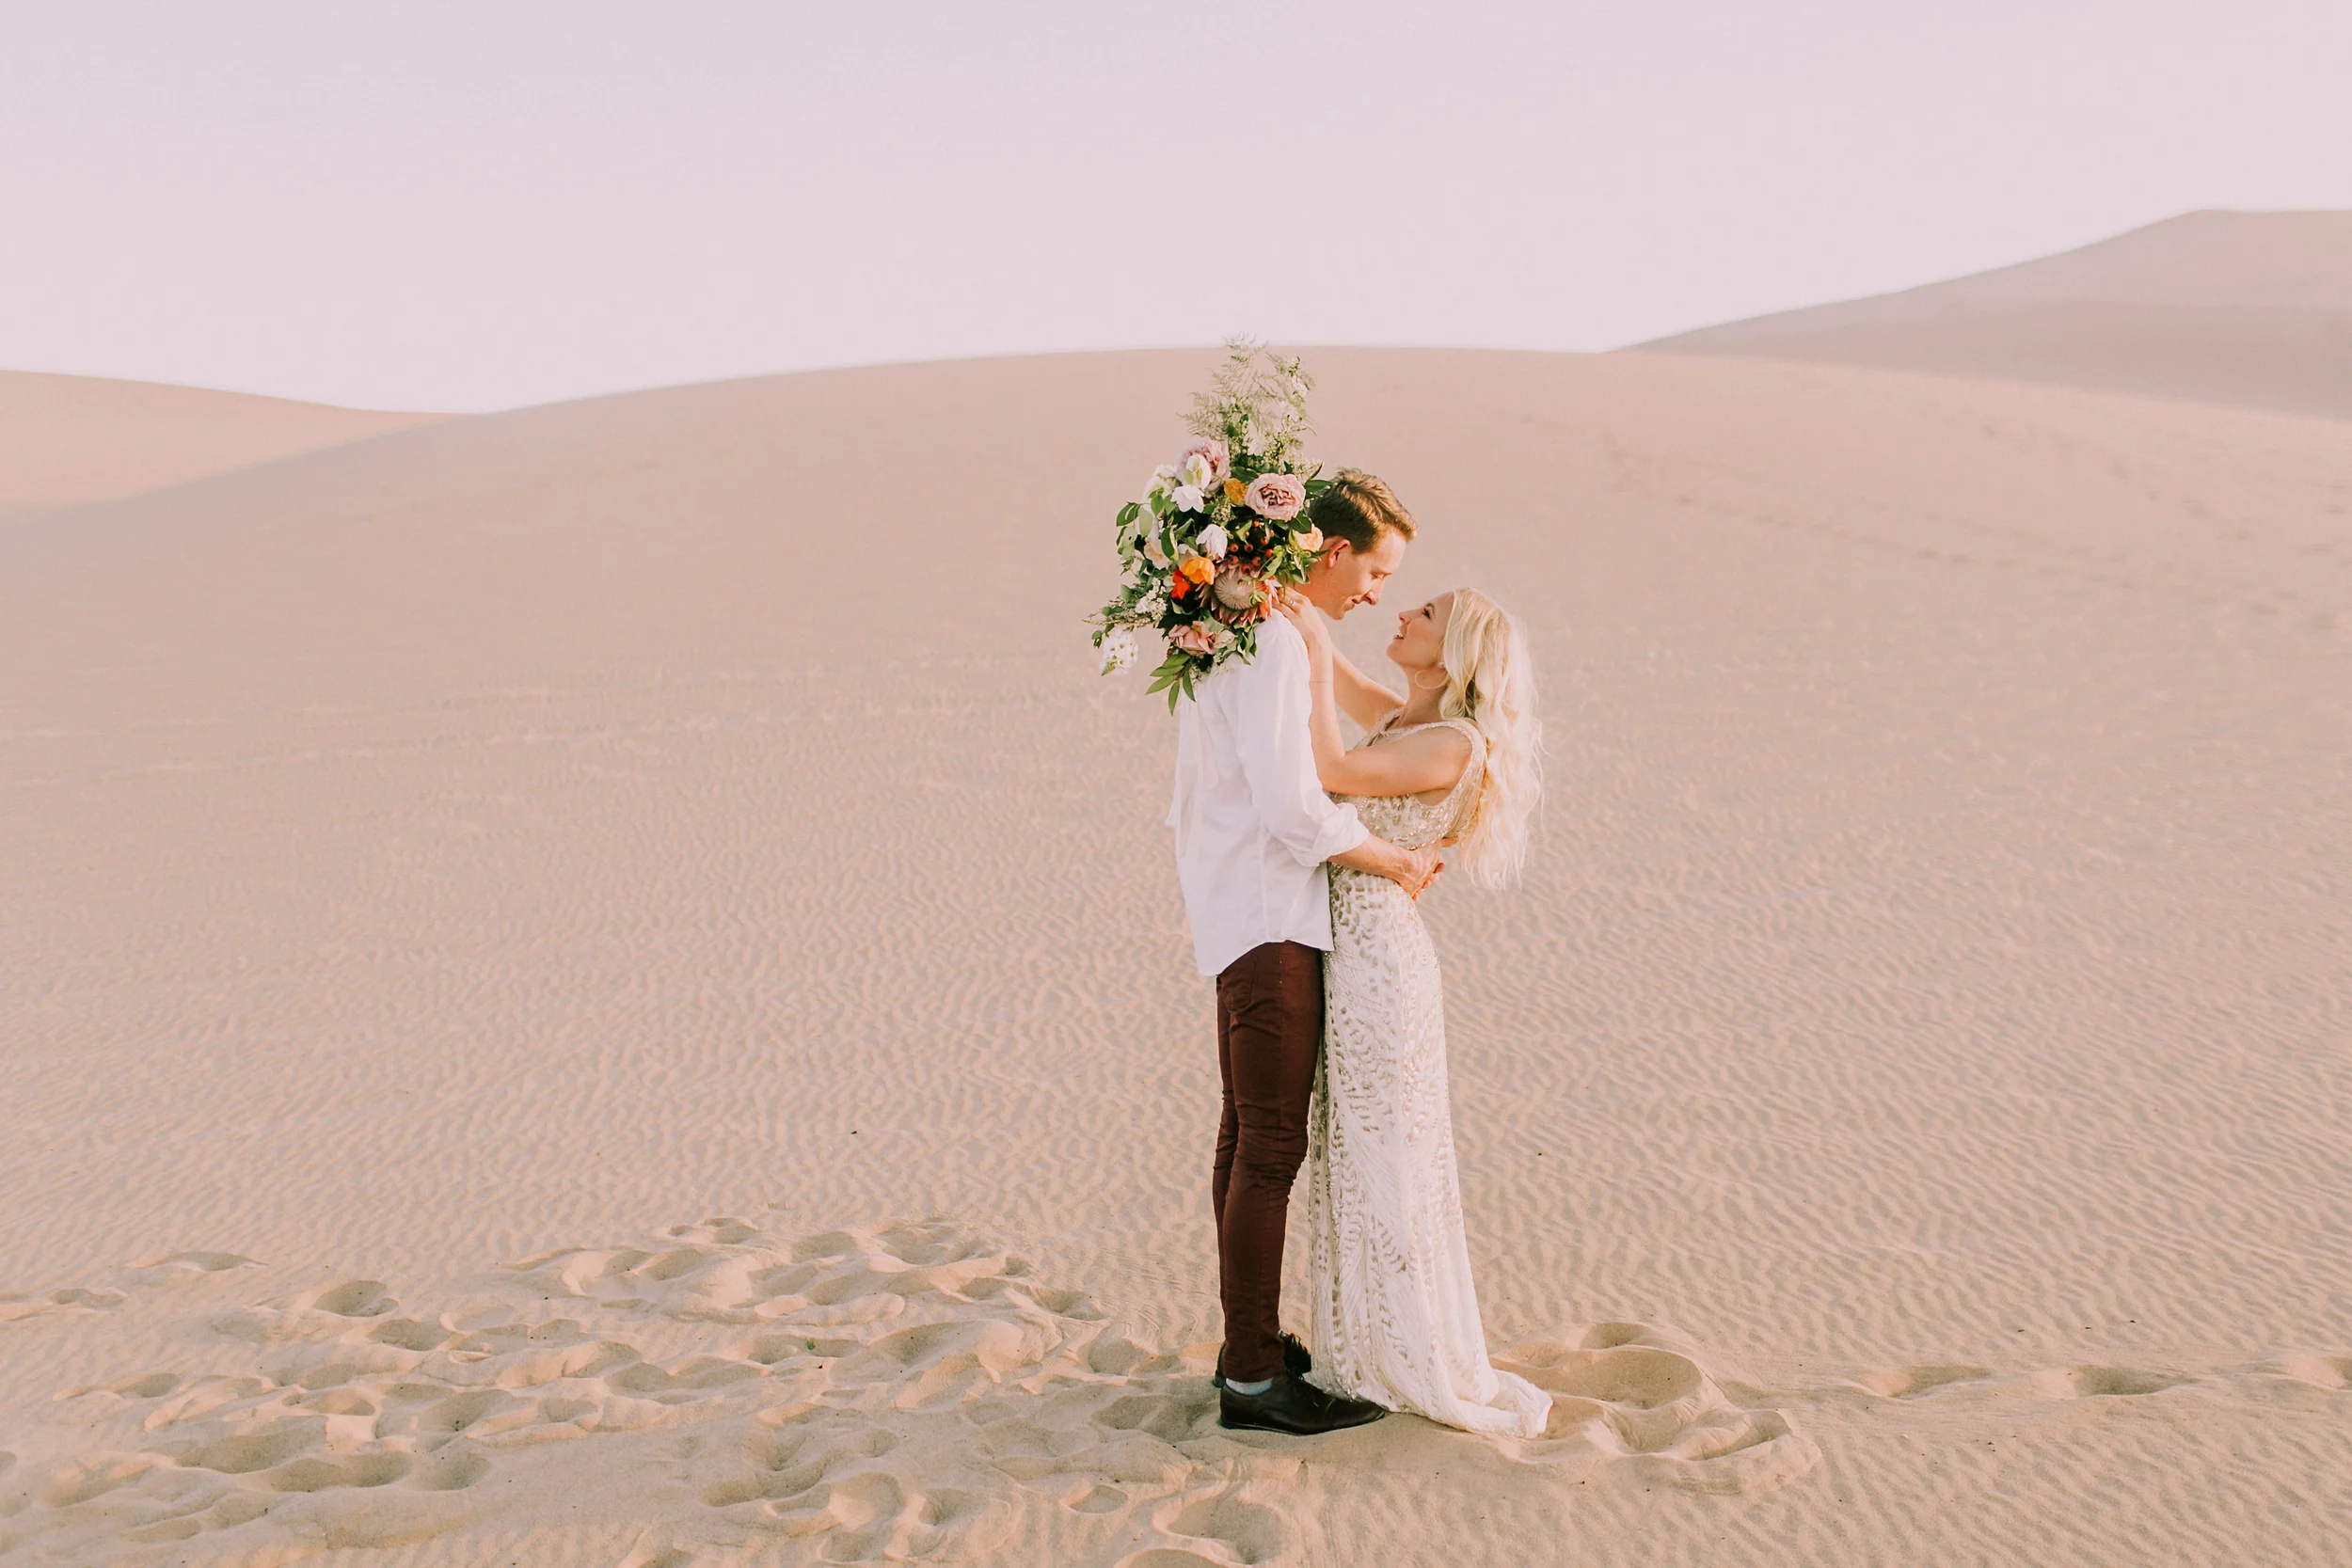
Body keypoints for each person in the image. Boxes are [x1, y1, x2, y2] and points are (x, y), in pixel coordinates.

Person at [1168, 470, 1438, 1436]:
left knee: (1245, 1134)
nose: (1376, 591)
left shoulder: (1236, 629)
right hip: (1270, 911)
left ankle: (1250, 1343)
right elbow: (1292, 804)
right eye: (1376, 570)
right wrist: (1391, 858)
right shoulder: (1272, 637)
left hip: (1231, 901)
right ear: (1331, 553)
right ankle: (1251, 1376)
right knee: (1269, 1142)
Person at [1280, 580, 1554, 1438]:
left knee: (1383, 1153)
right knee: (1355, 1153)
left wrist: (1315, 649)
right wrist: (1299, 612)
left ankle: (1402, 1358)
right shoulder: (1411, 716)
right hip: (1349, 955)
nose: (1401, 615)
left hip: (1379, 969)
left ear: (1456, 649)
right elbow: (1351, 684)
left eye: (1424, 614)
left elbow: (1331, 767)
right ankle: (1362, 1345)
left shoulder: (1455, 744)